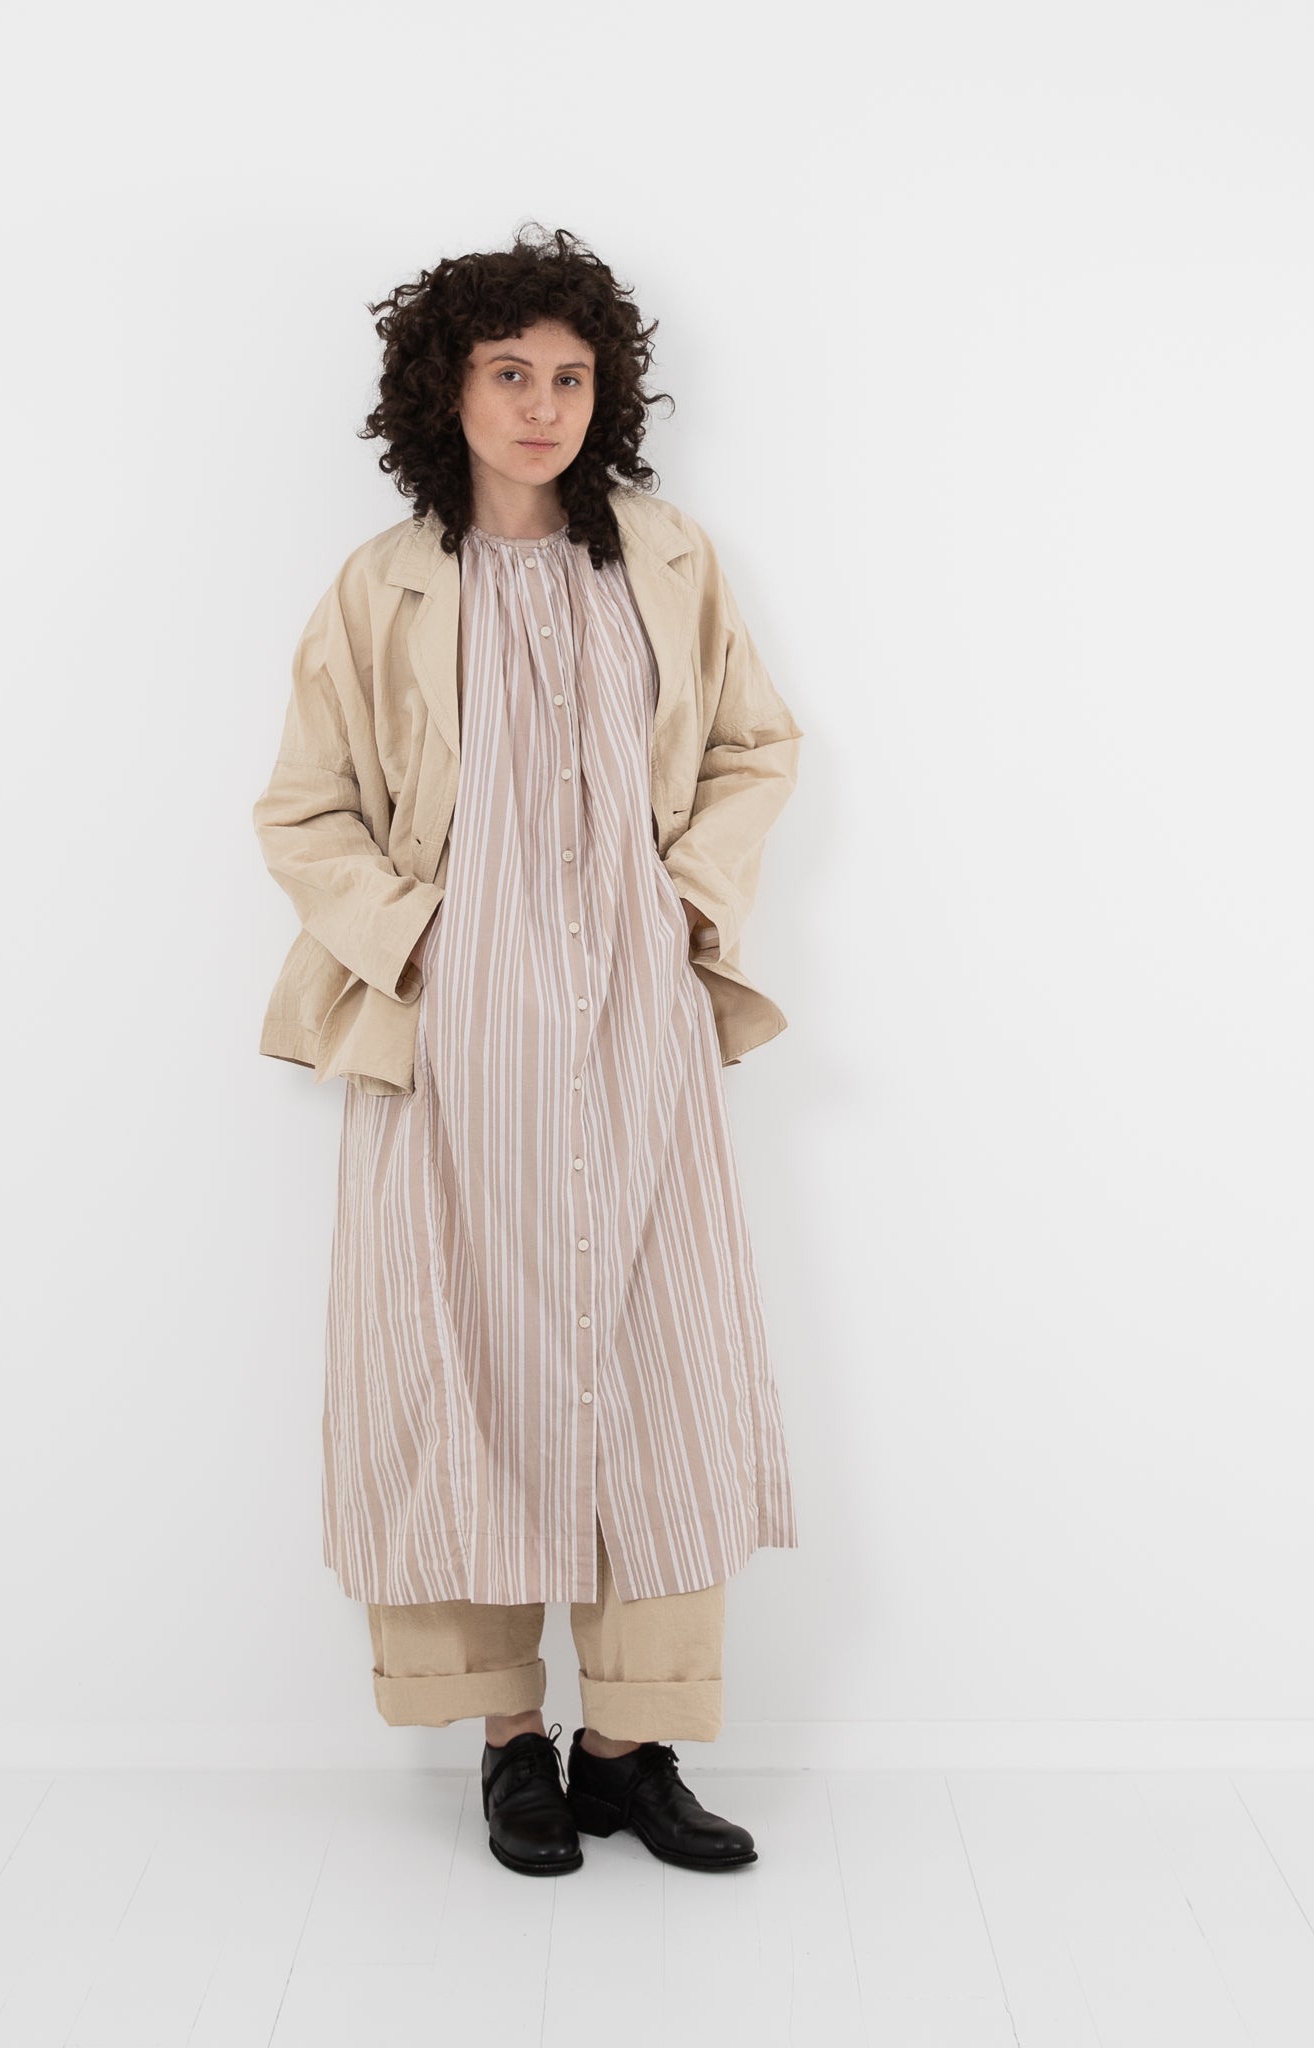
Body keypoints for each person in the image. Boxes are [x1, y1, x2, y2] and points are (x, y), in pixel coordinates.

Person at [252, 223, 805, 1878]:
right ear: (450, 388)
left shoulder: (668, 562)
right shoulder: (383, 588)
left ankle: (629, 1748)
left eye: (571, 376)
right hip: (449, 1040)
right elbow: (302, 809)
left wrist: (686, 901)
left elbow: (758, 748)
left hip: (640, 1023)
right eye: (510, 373)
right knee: (457, 1362)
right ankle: (507, 1742)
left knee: (662, 1366)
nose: (543, 405)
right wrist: (420, 938)